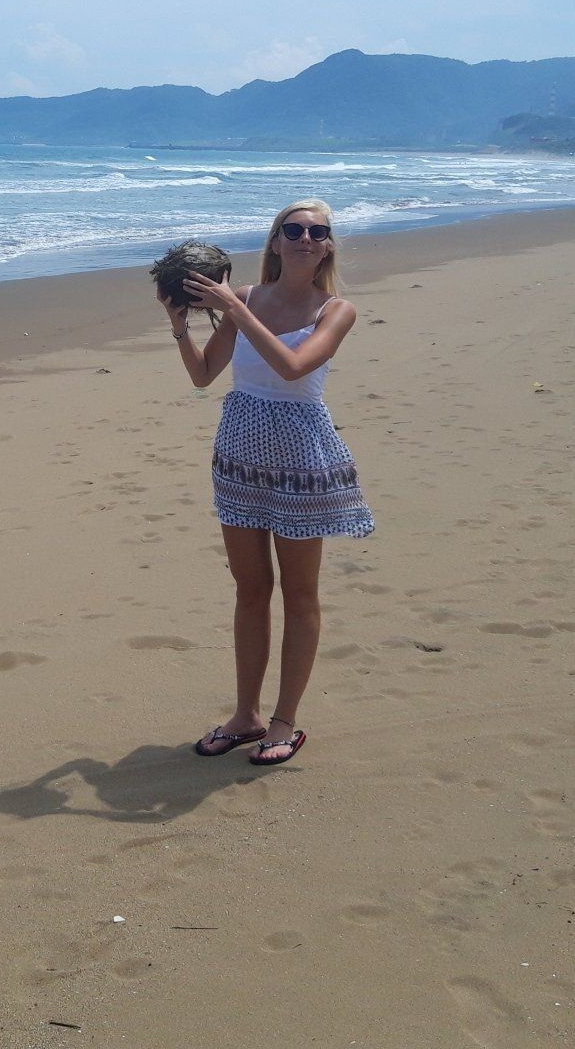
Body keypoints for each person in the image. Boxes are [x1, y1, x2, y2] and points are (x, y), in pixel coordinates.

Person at [159, 199, 373, 766]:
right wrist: (180, 326)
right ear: (275, 241)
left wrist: (234, 306)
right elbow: (204, 375)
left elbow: (293, 367)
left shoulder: (337, 309)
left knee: (300, 593)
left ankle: (284, 721)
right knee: (250, 589)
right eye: (293, 229)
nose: (306, 238)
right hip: (239, 451)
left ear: (328, 246)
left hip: (301, 456)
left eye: (318, 231)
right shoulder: (247, 299)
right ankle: (246, 715)